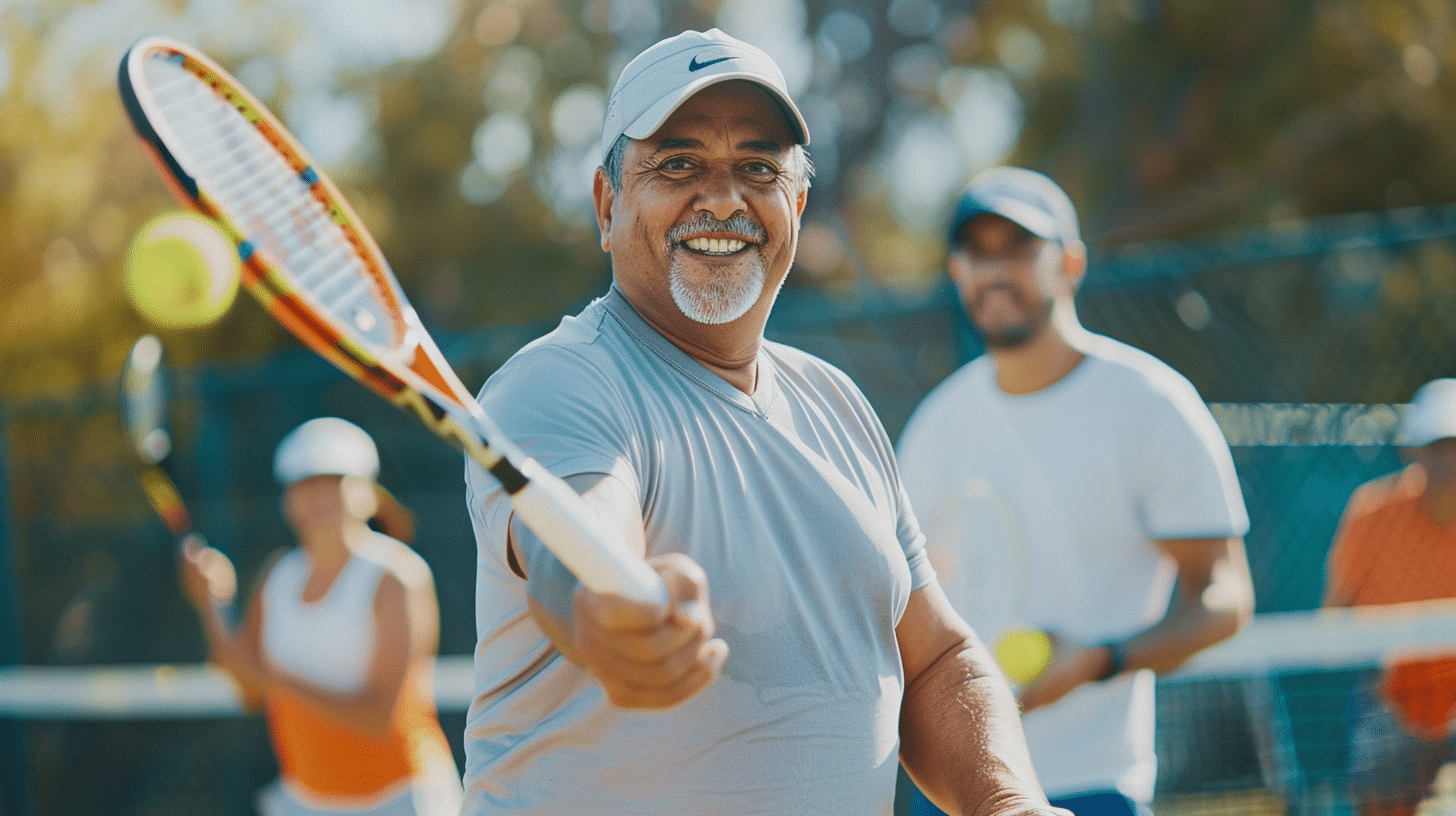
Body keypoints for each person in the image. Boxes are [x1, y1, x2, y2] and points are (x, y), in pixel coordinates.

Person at [460, 28, 1070, 816]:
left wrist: (1007, 804)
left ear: (797, 204)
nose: (722, 197)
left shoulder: (838, 405)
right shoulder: (559, 384)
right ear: (608, 205)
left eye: (757, 167)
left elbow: (936, 659)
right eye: (677, 164)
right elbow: (572, 537)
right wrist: (606, 608)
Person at [895, 166, 1256, 816]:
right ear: (956, 271)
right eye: (977, 251)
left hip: (1097, 783)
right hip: (952, 787)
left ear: (1070, 263)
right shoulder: (934, 426)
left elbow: (1224, 598)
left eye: (1018, 249)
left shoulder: (1151, 405)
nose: (995, 270)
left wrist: (1100, 659)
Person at [178, 417, 462, 816]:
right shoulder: (278, 573)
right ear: (287, 500)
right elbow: (248, 689)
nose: (321, 493)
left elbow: (379, 716)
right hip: (304, 801)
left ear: (369, 493)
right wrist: (211, 603)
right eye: (305, 482)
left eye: (337, 479)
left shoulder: (397, 576)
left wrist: (273, 678)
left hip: (401, 800)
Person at [1323, 378, 1456, 816]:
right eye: (1439, 445)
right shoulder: (1371, 514)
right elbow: (1333, 621)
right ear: (1413, 450)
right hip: (1391, 698)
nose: (1450, 459)